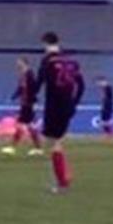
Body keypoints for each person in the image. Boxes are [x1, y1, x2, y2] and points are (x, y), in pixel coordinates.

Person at [34, 32, 85, 192]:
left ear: (46, 44)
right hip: (67, 106)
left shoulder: (48, 61)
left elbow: (38, 83)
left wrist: (31, 97)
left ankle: (62, 182)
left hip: (53, 106)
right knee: (55, 141)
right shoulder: (70, 61)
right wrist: (73, 103)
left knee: (52, 143)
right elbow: (81, 85)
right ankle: (63, 176)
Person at [3, 57, 43, 156]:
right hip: (25, 103)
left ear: (24, 63)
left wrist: (32, 100)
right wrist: (13, 97)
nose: (17, 64)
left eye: (19, 62)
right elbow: (21, 88)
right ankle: (37, 148)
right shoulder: (23, 75)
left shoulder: (30, 74)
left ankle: (12, 147)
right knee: (29, 126)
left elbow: (34, 87)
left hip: (28, 104)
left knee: (22, 125)